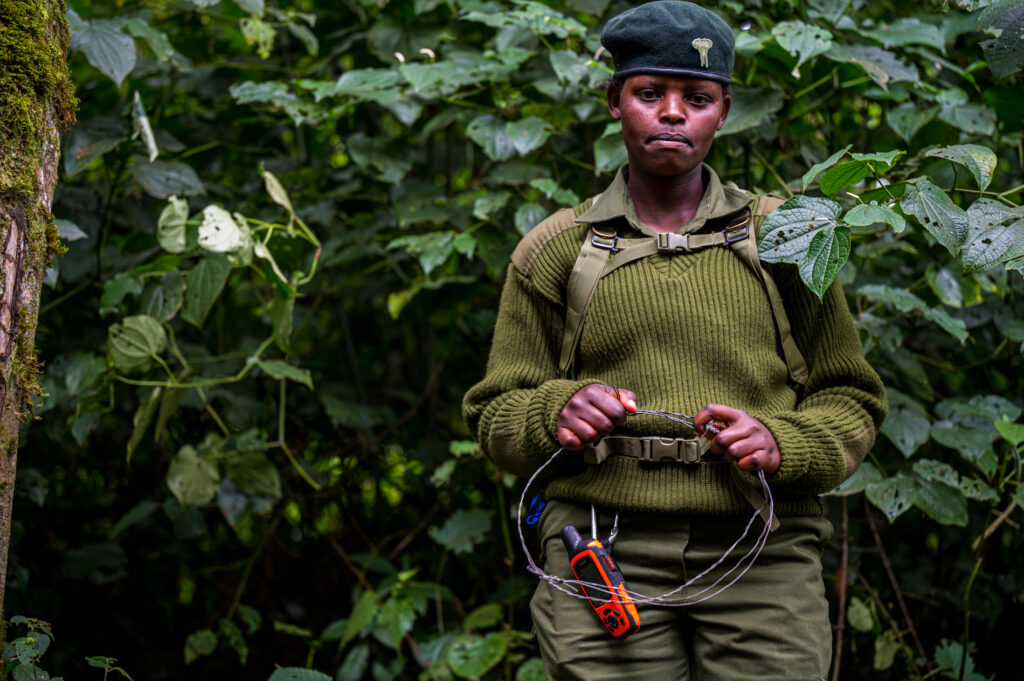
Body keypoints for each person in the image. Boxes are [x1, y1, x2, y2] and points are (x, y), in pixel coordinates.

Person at [462, 2, 887, 679]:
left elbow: (851, 397)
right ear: (614, 101)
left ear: (724, 111)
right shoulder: (556, 251)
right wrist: (555, 412)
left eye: (696, 97)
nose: (671, 112)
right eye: (649, 92)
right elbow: (494, 412)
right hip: (600, 545)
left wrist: (784, 441)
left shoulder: (785, 238)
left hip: (763, 547)